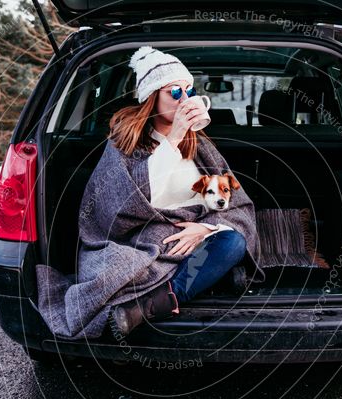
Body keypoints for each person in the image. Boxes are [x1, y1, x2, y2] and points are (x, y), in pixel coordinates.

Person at [106, 46, 261, 336]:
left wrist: (205, 229)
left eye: (188, 91)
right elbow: (132, 200)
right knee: (118, 266)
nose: (185, 100)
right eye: (175, 92)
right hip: (145, 236)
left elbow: (234, 204)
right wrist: (174, 135)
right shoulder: (124, 143)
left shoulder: (199, 143)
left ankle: (154, 303)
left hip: (193, 235)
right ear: (151, 98)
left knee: (233, 243)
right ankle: (213, 277)